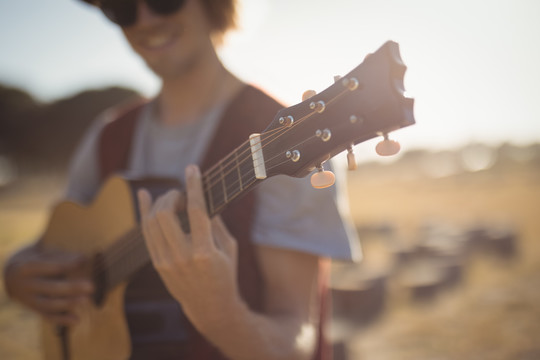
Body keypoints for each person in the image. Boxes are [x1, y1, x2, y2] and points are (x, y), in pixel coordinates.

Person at [3, 0, 358, 359]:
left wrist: (223, 317)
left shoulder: (290, 139)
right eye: (120, 7)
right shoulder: (107, 134)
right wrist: (16, 270)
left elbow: (298, 345)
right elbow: (57, 240)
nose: (144, 20)